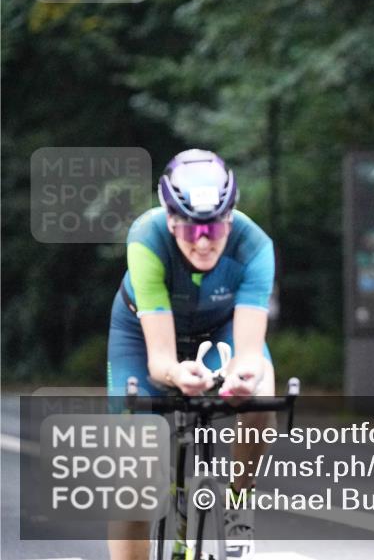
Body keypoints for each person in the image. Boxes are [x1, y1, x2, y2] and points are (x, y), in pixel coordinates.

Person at [106, 149, 275, 560]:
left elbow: (249, 353)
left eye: (214, 230)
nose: (202, 242)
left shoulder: (255, 246)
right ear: (169, 219)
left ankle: (239, 499)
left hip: (220, 329)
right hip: (142, 334)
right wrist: (177, 375)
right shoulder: (146, 239)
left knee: (262, 395)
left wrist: (242, 378)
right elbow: (160, 362)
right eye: (189, 230)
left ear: (230, 219)